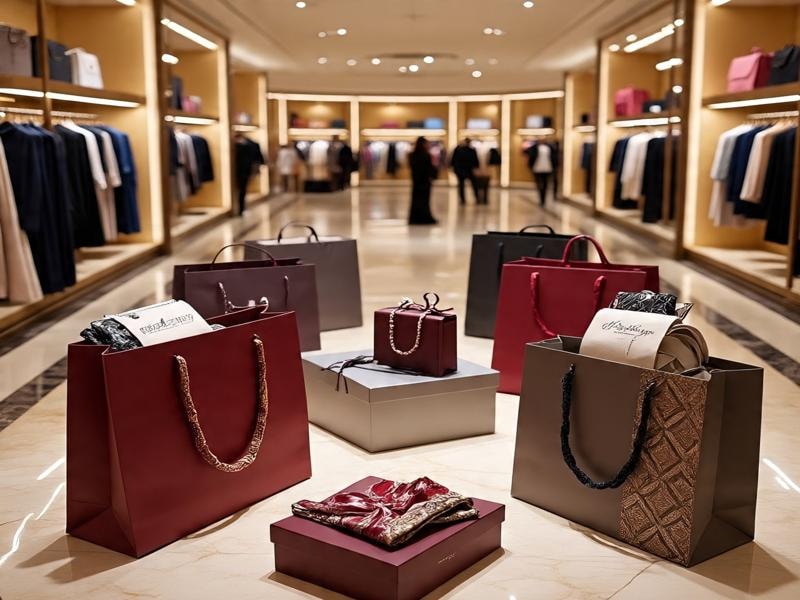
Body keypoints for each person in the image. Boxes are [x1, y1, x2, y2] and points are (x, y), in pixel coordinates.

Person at [408, 136, 438, 225]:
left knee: (416, 200)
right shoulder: (426, 155)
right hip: (425, 181)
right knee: (424, 200)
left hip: (416, 181)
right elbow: (429, 169)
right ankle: (425, 218)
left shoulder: (412, 155)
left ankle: (415, 219)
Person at [450, 138, 480, 205]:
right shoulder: (460, 149)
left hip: (466, 170)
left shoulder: (463, 150)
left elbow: (476, 161)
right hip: (463, 170)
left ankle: (474, 198)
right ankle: (465, 199)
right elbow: (453, 160)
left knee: (466, 185)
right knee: (463, 185)